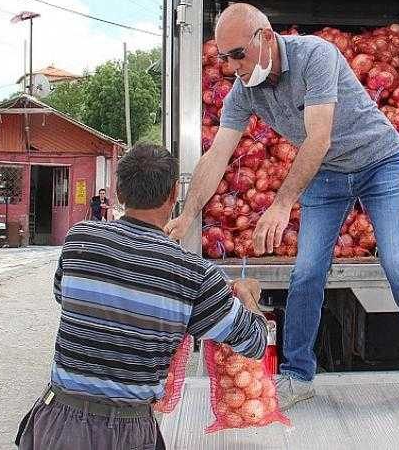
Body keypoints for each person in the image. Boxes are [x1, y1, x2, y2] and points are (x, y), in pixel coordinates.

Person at [165, 3, 399, 410]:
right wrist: (188, 213)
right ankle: (298, 376)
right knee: (307, 272)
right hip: (327, 174)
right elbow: (217, 154)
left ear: (264, 36)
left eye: (237, 55)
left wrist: (281, 205)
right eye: (224, 59)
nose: (231, 67)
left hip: (378, 162)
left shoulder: (315, 54)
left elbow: (318, 139)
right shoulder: (244, 91)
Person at [16, 143, 267, 450]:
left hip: (57, 422)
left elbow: (63, 296)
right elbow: (254, 344)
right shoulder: (194, 275)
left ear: (119, 191)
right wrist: (247, 298)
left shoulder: (79, 240)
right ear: (175, 195)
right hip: (128, 433)